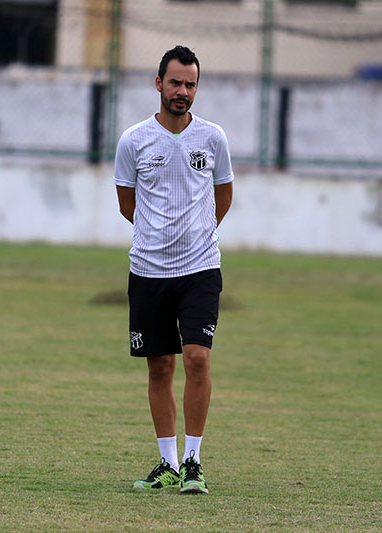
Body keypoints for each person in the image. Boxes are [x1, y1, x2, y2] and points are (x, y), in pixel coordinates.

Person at [113, 45, 234, 494]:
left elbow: (224, 195)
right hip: (148, 271)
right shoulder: (134, 140)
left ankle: (193, 463)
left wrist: (197, 234)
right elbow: (127, 204)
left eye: (190, 84)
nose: (182, 91)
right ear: (158, 83)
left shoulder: (213, 138)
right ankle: (167, 463)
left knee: (197, 357)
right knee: (159, 367)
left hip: (201, 268)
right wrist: (159, 235)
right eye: (175, 82)